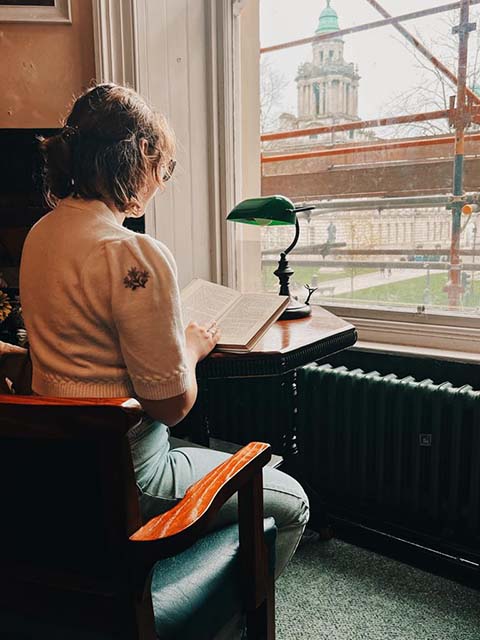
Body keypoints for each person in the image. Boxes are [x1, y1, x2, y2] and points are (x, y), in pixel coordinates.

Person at [19, 83, 309, 576]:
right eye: (164, 168)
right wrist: (190, 348)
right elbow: (170, 405)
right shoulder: (132, 252)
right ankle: (219, 618)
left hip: (59, 469)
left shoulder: (39, 234)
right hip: (132, 475)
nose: (162, 182)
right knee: (293, 501)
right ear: (138, 158)